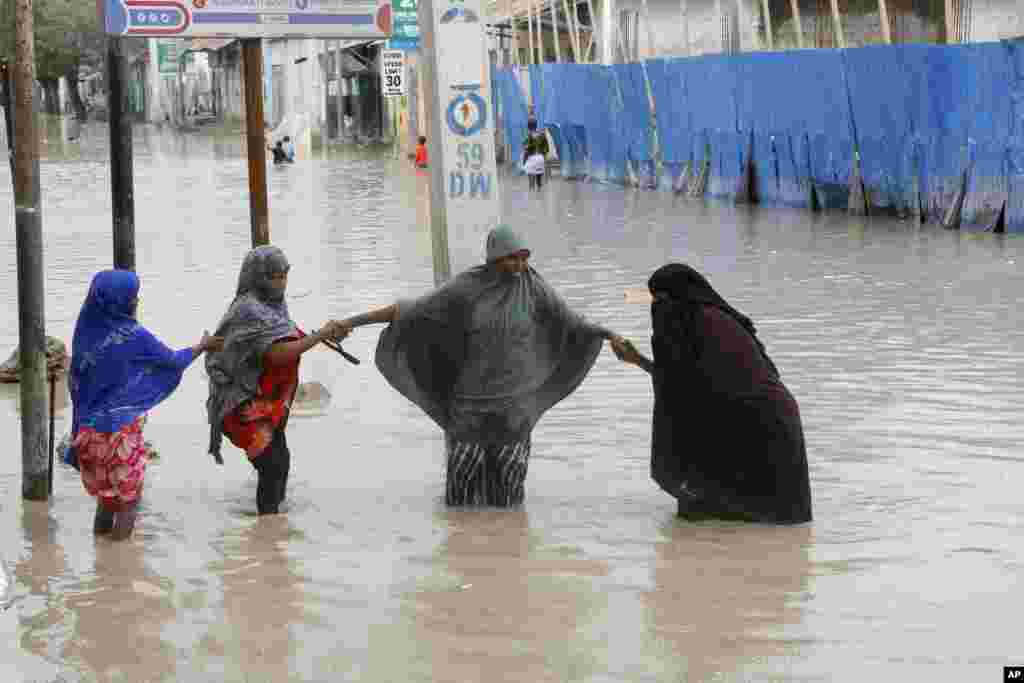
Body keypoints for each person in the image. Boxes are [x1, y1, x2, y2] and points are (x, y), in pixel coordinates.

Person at [338, 225, 620, 507]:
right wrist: (350, 322)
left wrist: (609, 335)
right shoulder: (467, 287)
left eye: (524, 258)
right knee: (459, 495)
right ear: (494, 258)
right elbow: (410, 309)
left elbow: (572, 321)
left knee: (510, 499)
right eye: (513, 259)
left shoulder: (534, 287)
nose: (520, 266)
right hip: (469, 408)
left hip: (514, 410)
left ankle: (509, 547)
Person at [610, 264, 813, 524]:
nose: (658, 309)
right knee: (743, 529)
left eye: (662, 300)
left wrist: (638, 360)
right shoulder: (710, 318)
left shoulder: (699, 324)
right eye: (655, 301)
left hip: (758, 428)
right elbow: (684, 382)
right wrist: (637, 360)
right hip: (766, 423)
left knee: (737, 521)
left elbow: (683, 387)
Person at [69, 269, 222, 540]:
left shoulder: (85, 332)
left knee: (106, 498)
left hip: (88, 434)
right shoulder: (133, 336)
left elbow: (76, 384)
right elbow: (173, 361)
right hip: (119, 434)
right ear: (121, 301)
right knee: (129, 500)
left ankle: (100, 559)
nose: (136, 302)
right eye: (133, 297)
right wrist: (202, 346)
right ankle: (119, 565)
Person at [206, 246, 349, 515]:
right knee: (271, 464)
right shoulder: (248, 310)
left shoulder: (274, 305)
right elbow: (277, 352)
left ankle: (271, 535)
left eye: (284, 275)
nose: (281, 282)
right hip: (242, 404)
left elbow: (287, 336)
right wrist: (317, 338)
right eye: (274, 276)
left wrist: (326, 334)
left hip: (267, 403)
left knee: (280, 461)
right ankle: (267, 525)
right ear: (257, 277)